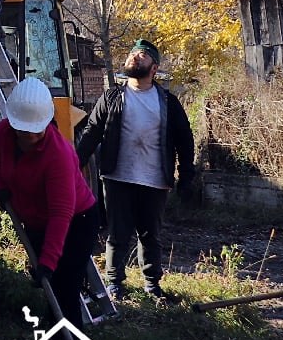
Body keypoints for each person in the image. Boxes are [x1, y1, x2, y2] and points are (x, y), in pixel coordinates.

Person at [75, 39, 196, 305]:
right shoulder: (113, 97)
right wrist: (75, 164)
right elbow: (92, 131)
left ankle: (152, 286)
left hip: (155, 179)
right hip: (117, 176)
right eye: (132, 55)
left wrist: (187, 175)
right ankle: (114, 284)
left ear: (154, 67)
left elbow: (184, 139)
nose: (135, 58)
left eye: (142, 56)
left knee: (150, 234)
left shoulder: (167, 101)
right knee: (117, 233)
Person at [0, 77, 100, 332]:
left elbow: (61, 213)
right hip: (37, 221)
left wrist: (49, 262)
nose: (31, 136)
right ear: (14, 124)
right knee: (53, 298)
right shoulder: (4, 134)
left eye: (36, 130)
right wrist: (0, 186)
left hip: (76, 223)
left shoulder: (58, 154)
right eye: (25, 130)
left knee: (64, 291)